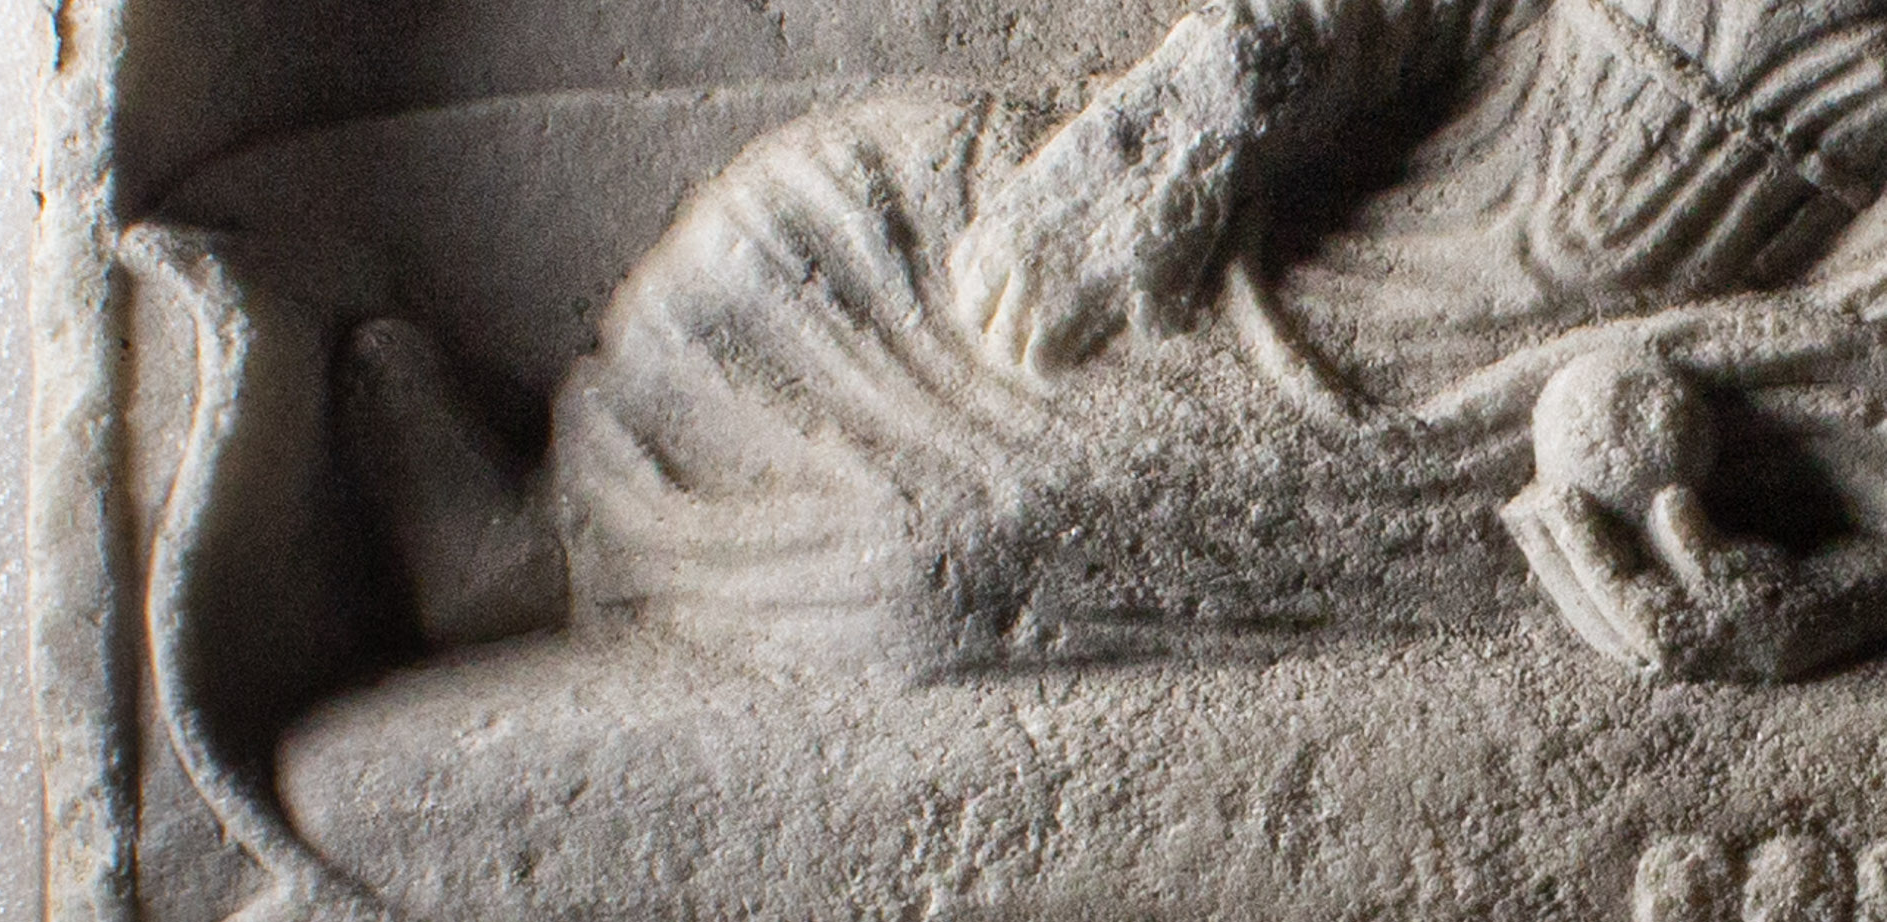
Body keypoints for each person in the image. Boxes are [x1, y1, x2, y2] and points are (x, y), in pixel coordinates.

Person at [346, 0, 1887, 683]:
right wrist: (1187, 126)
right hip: (1308, 214)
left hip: (1460, 410)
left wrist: (1799, 608)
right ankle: (539, 516)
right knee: (832, 215)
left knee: (941, 558)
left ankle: (585, 564)